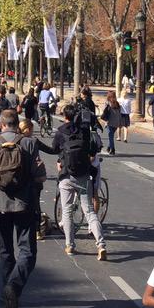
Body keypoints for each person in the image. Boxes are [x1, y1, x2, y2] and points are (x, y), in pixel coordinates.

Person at [0, 109, 46, 308]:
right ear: (17, 124)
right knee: (28, 251)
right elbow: (40, 175)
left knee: (6, 250)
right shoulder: (29, 143)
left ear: (1, 125)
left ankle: (7, 291)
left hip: (0, 205)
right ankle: (14, 287)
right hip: (25, 204)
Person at [51, 102, 107, 261]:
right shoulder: (84, 131)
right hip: (83, 176)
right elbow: (91, 150)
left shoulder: (61, 131)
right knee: (89, 212)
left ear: (64, 116)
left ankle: (70, 245)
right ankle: (101, 244)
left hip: (66, 176)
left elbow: (55, 149)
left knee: (67, 211)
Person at [99, 91, 122, 155]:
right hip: (116, 122)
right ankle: (109, 147)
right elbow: (119, 113)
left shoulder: (107, 103)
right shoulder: (117, 104)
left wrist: (105, 121)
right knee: (111, 136)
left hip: (109, 122)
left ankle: (112, 149)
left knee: (110, 136)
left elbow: (105, 112)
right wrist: (120, 122)